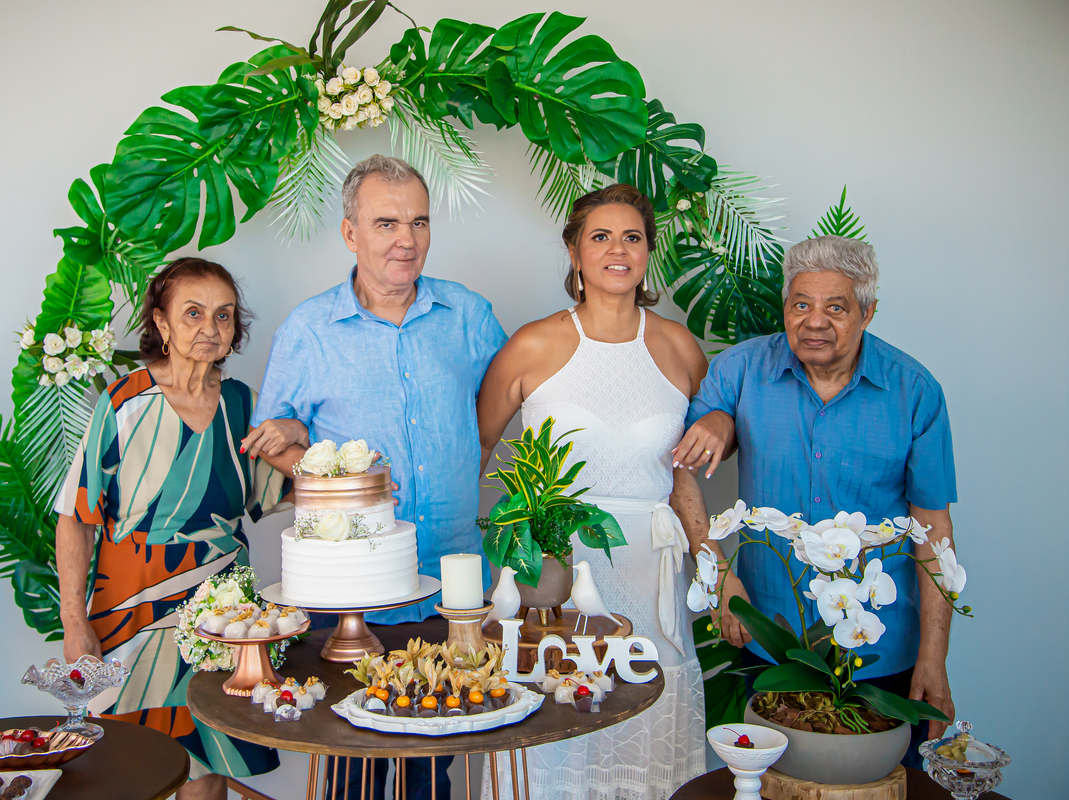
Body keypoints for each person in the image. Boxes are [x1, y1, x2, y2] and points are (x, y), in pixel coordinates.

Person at [243, 154, 507, 799]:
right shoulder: (309, 329)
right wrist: (336, 484)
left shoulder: (469, 315)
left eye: (419, 222)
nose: (405, 240)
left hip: (450, 589)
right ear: (350, 232)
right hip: (349, 600)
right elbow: (270, 441)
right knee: (349, 766)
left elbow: (499, 405)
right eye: (386, 223)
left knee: (433, 763)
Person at [676, 235, 959, 764]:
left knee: (884, 785)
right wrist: (718, 576)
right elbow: (679, 471)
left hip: (880, 648)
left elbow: (934, 531)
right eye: (801, 304)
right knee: (780, 786)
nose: (814, 322)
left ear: (868, 313)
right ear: (785, 306)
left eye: (836, 308)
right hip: (770, 638)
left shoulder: (915, 391)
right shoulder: (741, 371)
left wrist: (933, 655)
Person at [476, 184, 710, 799]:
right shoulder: (532, 344)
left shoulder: (679, 347)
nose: (617, 250)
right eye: (600, 237)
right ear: (575, 253)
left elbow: (694, 461)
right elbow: (474, 454)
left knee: (644, 720)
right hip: (553, 573)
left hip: (652, 571)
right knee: (556, 729)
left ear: (648, 252)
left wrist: (714, 563)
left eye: (632, 237)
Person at [55, 258, 297, 800]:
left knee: (208, 766)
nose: (211, 327)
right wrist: (74, 621)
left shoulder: (242, 404)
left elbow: (285, 491)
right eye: (193, 313)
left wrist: (301, 439)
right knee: (128, 766)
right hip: (131, 609)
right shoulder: (123, 403)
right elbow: (75, 516)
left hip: (221, 614)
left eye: (224, 315)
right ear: (161, 323)